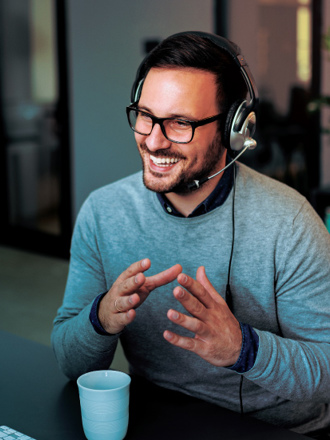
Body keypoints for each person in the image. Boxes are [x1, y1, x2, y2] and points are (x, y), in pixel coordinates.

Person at [51, 31, 330, 437]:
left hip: (280, 431)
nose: (153, 139)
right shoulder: (103, 212)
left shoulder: (289, 223)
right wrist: (100, 317)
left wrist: (243, 349)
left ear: (234, 129)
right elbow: (68, 361)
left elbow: (326, 370)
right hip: (155, 418)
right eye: (145, 115)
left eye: (180, 122)